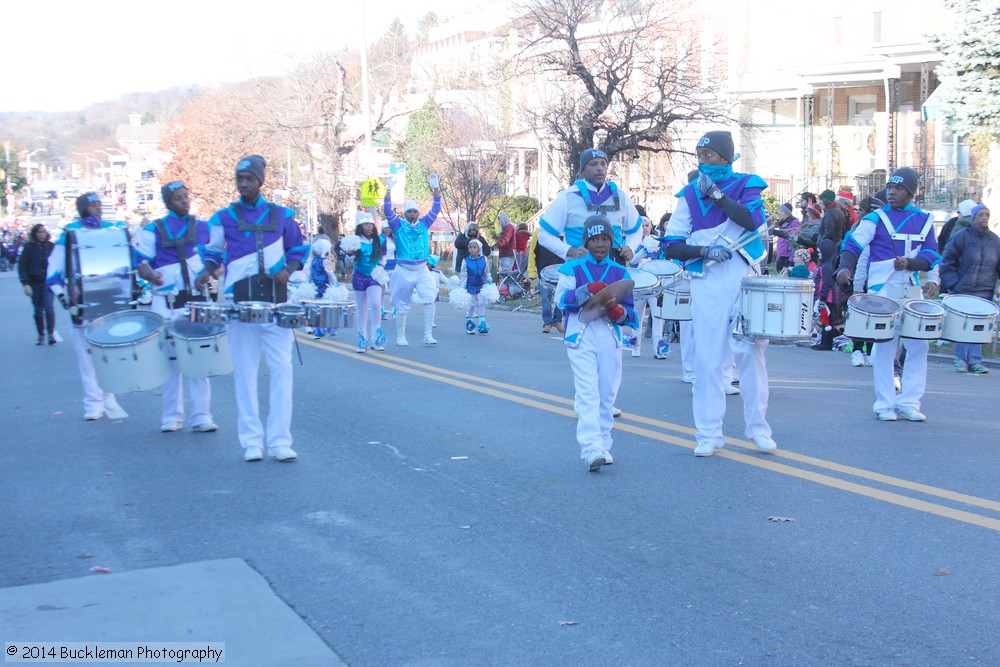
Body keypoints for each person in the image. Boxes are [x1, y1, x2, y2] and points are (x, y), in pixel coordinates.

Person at [661, 130, 777, 457]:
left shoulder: (747, 184)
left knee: (750, 353)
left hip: (744, 275)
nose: (702, 161)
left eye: (708, 154)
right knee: (707, 357)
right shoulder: (687, 194)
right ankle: (708, 433)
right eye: (698, 155)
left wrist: (717, 195)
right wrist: (703, 251)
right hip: (708, 278)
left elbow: (752, 219)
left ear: (725, 156)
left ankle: (758, 429)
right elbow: (672, 246)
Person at [196, 155, 308, 462]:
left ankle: (280, 441)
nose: (244, 184)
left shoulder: (282, 215)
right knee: (244, 372)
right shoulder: (223, 217)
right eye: (239, 179)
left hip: (276, 302)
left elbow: (298, 248)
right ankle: (251, 442)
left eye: (249, 179)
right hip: (239, 302)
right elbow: (213, 253)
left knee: (282, 370)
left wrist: (289, 269)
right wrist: (206, 270)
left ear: (260, 181)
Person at [836, 167, 940, 422]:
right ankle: (884, 403)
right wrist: (844, 267)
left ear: (911, 192)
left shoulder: (925, 219)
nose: (892, 192)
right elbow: (853, 243)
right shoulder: (875, 218)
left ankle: (909, 402)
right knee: (884, 346)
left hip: (912, 288)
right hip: (882, 291)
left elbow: (931, 255)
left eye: (899, 188)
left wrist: (918, 270)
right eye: (890, 187)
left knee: (919, 345)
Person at [554, 216, 638, 471]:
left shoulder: (620, 272)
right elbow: (561, 300)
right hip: (580, 333)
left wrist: (619, 313)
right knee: (588, 392)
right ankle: (590, 448)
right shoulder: (572, 268)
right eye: (594, 239)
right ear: (586, 242)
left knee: (607, 393)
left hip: (609, 335)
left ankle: (604, 444)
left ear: (611, 242)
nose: (600, 244)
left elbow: (632, 315)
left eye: (605, 239)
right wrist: (585, 290)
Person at [134, 181, 217, 433]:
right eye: (179, 198)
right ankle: (172, 416)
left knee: (198, 361)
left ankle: (202, 415)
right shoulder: (152, 230)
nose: (185, 201)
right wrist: (151, 276)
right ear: (168, 203)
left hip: (196, 301)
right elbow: (141, 263)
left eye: (186, 196)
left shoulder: (203, 228)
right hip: (166, 303)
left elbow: (216, 259)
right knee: (170, 362)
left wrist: (209, 272)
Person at [45, 193, 126, 421]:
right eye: (92, 205)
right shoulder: (70, 234)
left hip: (110, 300)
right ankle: (93, 403)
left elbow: (128, 260)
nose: (98, 209)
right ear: (82, 209)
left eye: (100, 205)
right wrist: (63, 296)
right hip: (82, 302)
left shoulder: (113, 230)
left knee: (109, 352)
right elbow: (53, 271)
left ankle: (109, 394)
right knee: (86, 356)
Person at [538, 148, 642, 266]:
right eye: (593, 164)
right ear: (583, 170)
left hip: (614, 269)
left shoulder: (621, 196)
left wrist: (630, 248)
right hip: (578, 270)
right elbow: (544, 235)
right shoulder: (567, 197)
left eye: (603, 164)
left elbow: (636, 230)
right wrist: (570, 251)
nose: (599, 168)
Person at [382, 173, 442, 346]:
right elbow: (387, 211)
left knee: (429, 299)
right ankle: (400, 336)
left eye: (415, 211)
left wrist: (436, 188)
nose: (413, 214)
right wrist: (388, 190)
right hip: (403, 270)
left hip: (422, 269)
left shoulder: (424, 223)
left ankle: (428, 335)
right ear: (405, 213)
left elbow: (436, 208)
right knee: (402, 304)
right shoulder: (398, 225)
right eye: (409, 211)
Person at [939, 204, 999, 374]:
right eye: (981, 214)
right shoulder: (961, 237)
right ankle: (960, 359)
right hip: (963, 290)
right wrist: (954, 285)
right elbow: (946, 262)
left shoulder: (995, 240)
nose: (984, 218)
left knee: (978, 328)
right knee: (964, 327)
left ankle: (975, 361)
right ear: (973, 218)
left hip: (984, 291)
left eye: (987, 214)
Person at [626, 216, 670, 359]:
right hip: (639, 283)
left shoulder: (658, 241)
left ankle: (659, 348)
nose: (645, 228)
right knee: (637, 316)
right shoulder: (632, 242)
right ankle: (635, 346)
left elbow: (664, 259)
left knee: (658, 315)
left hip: (656, 283)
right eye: (642, 226)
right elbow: (631, 261)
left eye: (647, 225)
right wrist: (644, 251)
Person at [349, 211, 387, 352]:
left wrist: (380, 267)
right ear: (360, 226)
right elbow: (348, 262)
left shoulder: (380, 239)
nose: (369, 227)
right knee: (361, 308)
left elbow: (384, 255)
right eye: (365, 224)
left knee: (376, 304)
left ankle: (376, 340)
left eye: (371, 224)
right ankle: (362, 340)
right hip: (358, 276)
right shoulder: (355, 241)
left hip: (374, 277)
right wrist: (350, 254)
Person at [19, 223, 56, 345]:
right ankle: (41, 335)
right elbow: (22, 266)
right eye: (39, 232)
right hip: (34, 283)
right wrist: (26, 283)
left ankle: (51, 333)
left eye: (43, 232)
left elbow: (57, 265)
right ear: (34, 234)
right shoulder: (29, 247)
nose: (41, 234)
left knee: (49, 307)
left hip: (48, 283)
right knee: (38, 310)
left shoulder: (52, 247)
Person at [527, 226, 564, 334]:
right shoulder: (539, 232)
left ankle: (558, 320)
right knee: (546, 298)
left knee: (560, 298)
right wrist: (532, 272)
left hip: (561, 273)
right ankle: (547, 323)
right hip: (544, 273)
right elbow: (532, 253)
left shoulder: (564, 231)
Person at [460, 238, 493, 334]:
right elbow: (463, 276)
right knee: (472, 305)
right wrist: (462, 288)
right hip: (470, 285)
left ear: (479, 249)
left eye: (474, 247)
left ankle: (482, 323)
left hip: (481, 284)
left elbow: (487, 272)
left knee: (482, 303)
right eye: (470, 247)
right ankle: (470, 324)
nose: (472, 249)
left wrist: (489, 281)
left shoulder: (483, 259)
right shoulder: (465, 261)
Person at [307, 237, 338, 339]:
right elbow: (329, 272)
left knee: (317, 309)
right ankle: (329, 328)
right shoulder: (324, 261)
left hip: (316, 286)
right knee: (327, 308)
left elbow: (310, 274)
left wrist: (308, 283)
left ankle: (320, 330)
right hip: (324, 287)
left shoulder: (313, 261)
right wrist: (335, 282)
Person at [770, 203, 800, 273]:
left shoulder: (794, 224)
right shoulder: (783, 224)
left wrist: (791, 259)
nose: (779, 213)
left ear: (787, 213)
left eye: (781, 211)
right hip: (781, 256)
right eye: (779, 211)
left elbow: (794, 243)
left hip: (788, 257)